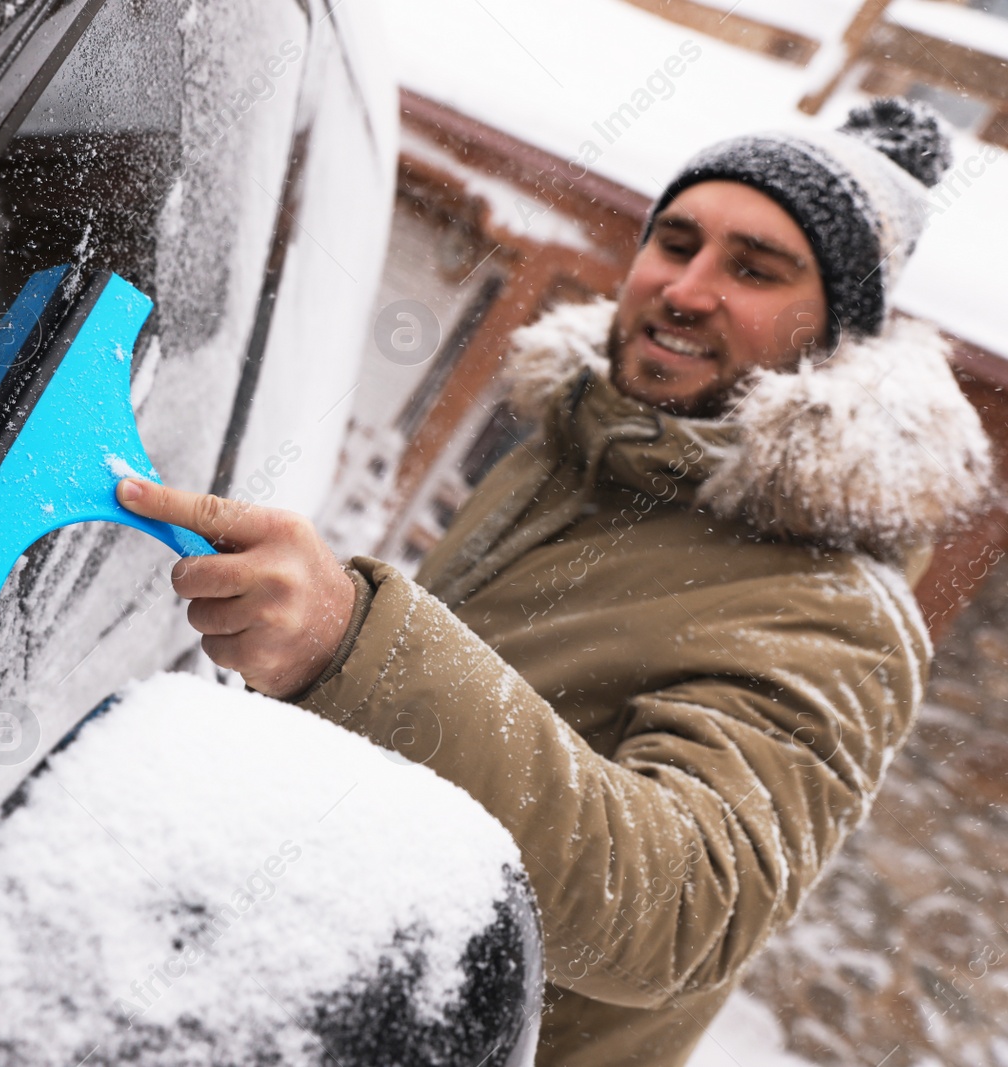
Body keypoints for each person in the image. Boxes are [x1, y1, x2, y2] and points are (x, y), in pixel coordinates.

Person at [115, 98, 996, 1065]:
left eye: (753, 269)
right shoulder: (583, 446)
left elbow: (682, 911)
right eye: (676, 241)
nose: (686, 289)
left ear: (838, 335)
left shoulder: (834, 609)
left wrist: (354, 644)